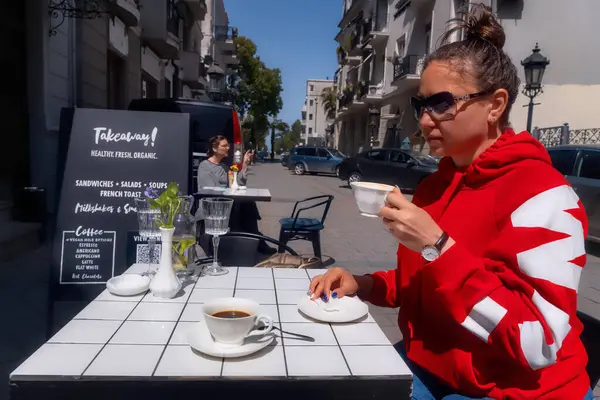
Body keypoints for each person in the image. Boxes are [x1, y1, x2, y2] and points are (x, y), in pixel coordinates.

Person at [309, 5, 593, 400]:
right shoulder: (435, 187)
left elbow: (538, 343)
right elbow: (424, 286)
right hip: (435, 366)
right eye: (420, 105)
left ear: (495, 105)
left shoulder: (543, 194)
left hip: (511, 389)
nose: (425, 120)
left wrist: (438, 247)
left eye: (441, 103)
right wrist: (363, 284)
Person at [196, 135, 276, 255]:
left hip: (226, 204)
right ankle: (256, 240)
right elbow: (209, 191)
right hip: (212, 208)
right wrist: (228, 190)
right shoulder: (205, 166)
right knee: (246, 206)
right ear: (214, 148)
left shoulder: (223, 167)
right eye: (224, 145)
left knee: (248, 203)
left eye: (228, 145)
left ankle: (254, 238)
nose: (228, 147)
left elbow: (236, 183)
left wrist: (244, 165)